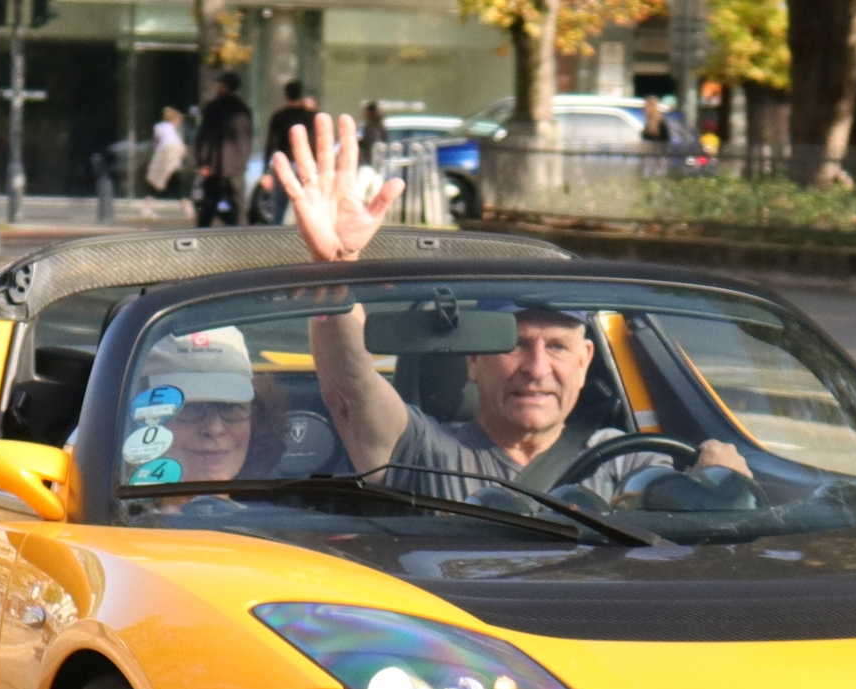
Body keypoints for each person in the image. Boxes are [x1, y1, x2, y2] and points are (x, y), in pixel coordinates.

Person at [282, 112, 750, 505]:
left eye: (559, 347)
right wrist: (336, 268)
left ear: (586, 363)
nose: (537, 368)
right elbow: (351, 388)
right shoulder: (429, 451)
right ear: (473, 360)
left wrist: (720, 487)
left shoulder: (630, 461)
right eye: (516, 343)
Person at [122, 325, 287, 499]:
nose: (214, 429)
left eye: (231, 406)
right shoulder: (101, 517)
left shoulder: (284, 518)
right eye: (189, 407)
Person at [252, 81, 317, 224]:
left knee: (279, 207)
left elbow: (271, 144)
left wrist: (265, 172)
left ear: (286, 95)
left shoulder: (279, 117)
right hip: (305, 164)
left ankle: (277, 238)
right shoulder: (310, 117)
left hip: (284, 164)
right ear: (301, 95)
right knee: (308, 206)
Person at [193, 72, 253, 228]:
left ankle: (201, 241)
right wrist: (242, 161)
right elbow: (247, 139)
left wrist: (203, 162)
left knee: (208, 208)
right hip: (235, 167)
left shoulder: (213, 108)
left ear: (225, 86)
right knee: (239, 208)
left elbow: (205, 137)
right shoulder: (243, 110)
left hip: (215, 167)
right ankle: (242, 241)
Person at [144, 107, 191, 218]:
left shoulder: (160, 128)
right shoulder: (171, 130)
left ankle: (148, 208)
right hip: (169, 155)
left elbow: (157, 144)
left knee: (155, 181)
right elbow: (176, 146)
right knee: (176, 182)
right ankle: (187, 208)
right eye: (179, 120)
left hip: (164, 156)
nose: (181, 122)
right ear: (174, 119)